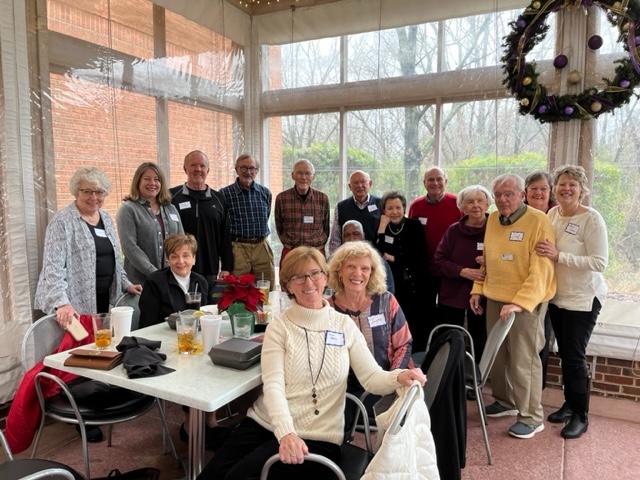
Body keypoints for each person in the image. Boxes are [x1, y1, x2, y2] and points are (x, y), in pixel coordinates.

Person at [197, 247, 426, 480]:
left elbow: (371, 377)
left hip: (318, 435)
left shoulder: (343, 325)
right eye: (298, 277)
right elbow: (273, 385)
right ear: (288, 286)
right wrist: (286, 433)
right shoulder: (280, 327)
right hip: (266, 422)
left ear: (326, 277)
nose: (309, 282)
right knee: (211, 475)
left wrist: (399, 376)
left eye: (315, 273)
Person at [34, 166, 142, 443]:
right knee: (79, 356)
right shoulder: (62, 221)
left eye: (99, 191)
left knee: (101, 350)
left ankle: (98, 401)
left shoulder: (105, 217)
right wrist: (61, 303)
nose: (94, 197)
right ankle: (80, 416)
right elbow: (53, 267)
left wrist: (126, 283)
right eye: (87, 191)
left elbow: (115, 259)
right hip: (75, 302)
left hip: (103, 297)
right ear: (76, 192)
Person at [470, 173, 556, 439]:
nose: (503, 199)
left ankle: (531, 417)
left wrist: (519, 303)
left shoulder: (538, 220)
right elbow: (488, 259)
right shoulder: (493, 218)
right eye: (498, 195)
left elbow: (542, 269)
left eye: (509, 194)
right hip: (496, 297)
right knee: (498, 357)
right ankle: (505, 401)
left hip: (525, 303)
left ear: (522, 195)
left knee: (523, 359)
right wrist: (478, 289)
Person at [536, 165, 608, 439]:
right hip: (557, 296)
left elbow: (599, 263)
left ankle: (581, 415)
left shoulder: (592, 219)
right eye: (562, 184)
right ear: (555, 188)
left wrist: (559, 256)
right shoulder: (552, 214)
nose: (566, 189)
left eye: (573, 185)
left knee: (574, 357)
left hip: (583, 299)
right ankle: (569, 404)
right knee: (565, 355)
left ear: (582, 189)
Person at [432, 185, 492, 362]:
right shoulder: (453, 231)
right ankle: (449, 372)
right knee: (450, 338)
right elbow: (438, 260)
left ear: (487, 204)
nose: (476, 205)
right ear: (462, 206)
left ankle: (477, 374)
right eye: (470, 202)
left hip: (484, 295)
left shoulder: (496, 229)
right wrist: (462, 271)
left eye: (480, 201)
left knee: (480, 339)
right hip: (452, 294)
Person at [408, 166, 462, 338]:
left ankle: (449, 346)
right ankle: (427, 347)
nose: (435, 183)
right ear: (424, 183)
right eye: (431, 179)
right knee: (425, 312)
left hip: (450, 270)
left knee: (449, 312)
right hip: (425, 270)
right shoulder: (416, 206)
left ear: (446, 181)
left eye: (439, 179)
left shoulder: (457, 203)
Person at [375, 191, 430, 352]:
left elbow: (419, 255)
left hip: (414, 284)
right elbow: (377, 254)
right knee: (394, 320)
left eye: (398, 207)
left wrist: (394, 258)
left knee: (413, 321)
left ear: (404, 208)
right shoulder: (383, 227)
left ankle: (415, 355)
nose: (394, 212)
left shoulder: (414, 226)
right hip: (392, 283)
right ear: (384, 211)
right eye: (390, 208)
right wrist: (381, 229)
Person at [170, 150, 233, 289]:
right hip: (180, 266)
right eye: (193, 165)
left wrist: (226, 267)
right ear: (185, 168)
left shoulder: (219, 199)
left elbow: (226, 236)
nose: (198, 169)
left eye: (202, 166)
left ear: (208, 170)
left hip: (210, 268)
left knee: (208, 302)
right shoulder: (172, 197)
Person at [117, 162, 183, 284]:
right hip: (140, 283)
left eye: (156, 179)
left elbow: (181, 242)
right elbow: (130, 247)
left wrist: (178, 269)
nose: (152, 183)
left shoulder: (171, 208)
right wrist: (155, 274)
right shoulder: (128, 209)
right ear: (138, 181)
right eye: (147, 179)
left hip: (171, 279)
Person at [220, 153, 274, 287]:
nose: (248, 172)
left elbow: (266, 216)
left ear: (257, 171)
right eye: (243, 168)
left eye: (252, 168)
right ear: (236, 169)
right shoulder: (224, 194)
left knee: (267, 286)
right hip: (238, 248)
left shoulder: (265, 193)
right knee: (238, 289)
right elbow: (222, 225)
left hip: (261, 246)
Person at [525, 170, 557, 389]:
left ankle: (537, 388)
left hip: (548, 288)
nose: (538, 193)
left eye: (543, 189)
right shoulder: (518, 214)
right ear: (525, 192)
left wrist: (557, 253)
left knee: (541, 338)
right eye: (533, 189)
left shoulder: (556, 215)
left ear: (550, 191)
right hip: (521, 287)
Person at [138, 234, 208, 329]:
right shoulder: (154, 282)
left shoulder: (201, 282)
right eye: (174, 257)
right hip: (162, 335)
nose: (181, 261)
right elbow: (147, 325)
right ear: (168, 260)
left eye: (185, 256)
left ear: (194, 259)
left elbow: (204, 317)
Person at [275, 159, 330, 266]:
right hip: (291, 252)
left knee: (318, 277)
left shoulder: (322, 198)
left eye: (307, 173)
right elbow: (279, 226)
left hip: (316, 252)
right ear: (293, 175)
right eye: (299, 173)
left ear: (313, 176)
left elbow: (326, 227)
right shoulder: (282, 198)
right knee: (289, 277)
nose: (303, 177)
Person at [328, 170, 382, 255]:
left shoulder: (381, 204)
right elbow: (335, 239)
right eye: (355, 183)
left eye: (363, 182)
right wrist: (335, 258)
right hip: (349, 255)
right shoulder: (341, 207)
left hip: (374, 255)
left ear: (370, 184)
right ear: (350, 187)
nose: (360, 186)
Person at [341, 220, 394, 294]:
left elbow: (388, 291)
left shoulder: (378, 262)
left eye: (356, 234)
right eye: (347, 235)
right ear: (342, 239)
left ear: (363, 236)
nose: (351, 238)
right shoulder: (337, 261)